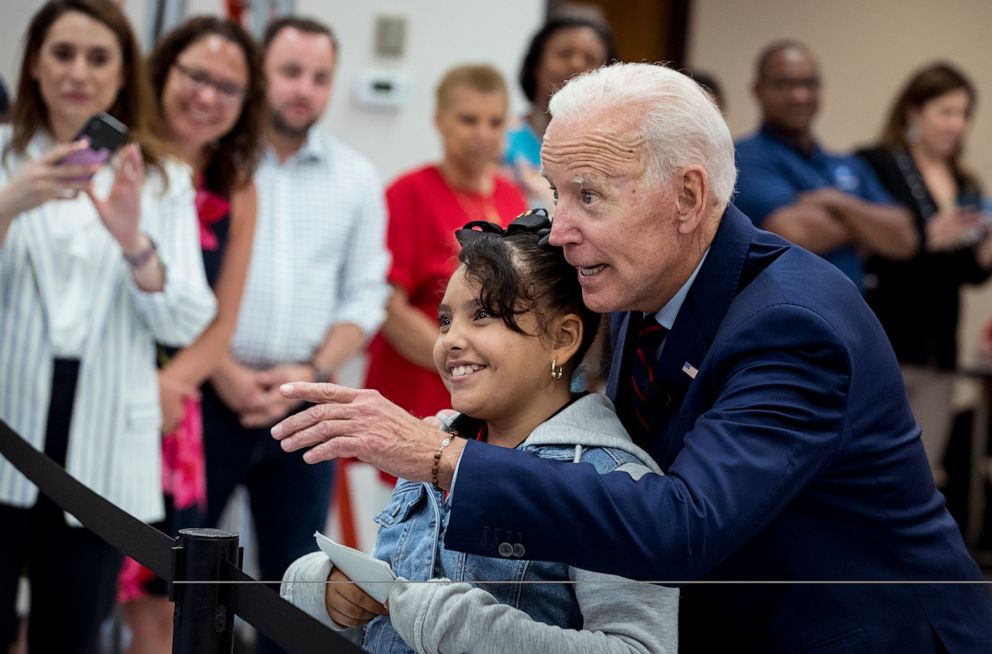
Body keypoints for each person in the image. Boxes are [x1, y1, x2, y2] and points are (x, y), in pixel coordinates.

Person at [271, 62, 992, 653]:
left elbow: (682, 524)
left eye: (590, 196)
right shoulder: (640, 288)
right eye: (557, 194)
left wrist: (443, 458)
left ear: (687, 195)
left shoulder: (792, 323)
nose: (561, 232)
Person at [282, 210, 678, 654]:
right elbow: (387, 607)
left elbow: (641, 648)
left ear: (562, 339)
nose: (450, 340)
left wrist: (456, 624)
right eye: (447, 319)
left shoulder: (613, 478)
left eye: (484, 314)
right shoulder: (432, 442)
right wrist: (326, 588)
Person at [0, 1, 216, 652]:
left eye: (99, 58)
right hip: (9, 419)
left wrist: (134, 245)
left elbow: (186, 316)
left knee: (73, 627)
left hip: (99, 437)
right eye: (62, 53)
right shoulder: (5, 160)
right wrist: (10, 204)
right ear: (34, 63)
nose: (79, 72)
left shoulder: (161, 179)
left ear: (124, 74)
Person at [201, 15, 389, 654]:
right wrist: (220, 368)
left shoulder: (356, 178)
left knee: (297, 582)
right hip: (207, 391)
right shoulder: (215, 164)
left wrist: (301, 376)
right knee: (185, 567)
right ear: (261, 74)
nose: (303, 89)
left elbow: (366, 295)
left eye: (319, 77)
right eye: (289, 72)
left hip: (308, 405)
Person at [116, 16, 267, 654]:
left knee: (157, 595)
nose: (206, 97)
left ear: (244, 104)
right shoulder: (118, 155)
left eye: (226, 88)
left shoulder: (238, 189)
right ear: (161, 72)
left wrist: (173, 384)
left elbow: (221, 318)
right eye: (194, 76)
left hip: (171, 409)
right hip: (98, 384)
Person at [855, 63, 992, 485]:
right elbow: (859, 249)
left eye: (964, 114)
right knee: (867, 469)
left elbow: (969, 274)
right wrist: (925, 236)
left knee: (923, 476)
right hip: (885, 339)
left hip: (938, 348)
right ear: (914, 112)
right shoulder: (878, 164)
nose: (957, 124)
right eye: (946, 112)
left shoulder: (965, 180)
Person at [363, 64, 524, 421]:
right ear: (440, 121)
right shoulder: (407, 193)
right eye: (469, 120)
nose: (483, 133)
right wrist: (462, 360)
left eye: (495, 122)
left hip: (487, 395)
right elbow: (390, 307)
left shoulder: (512, 197)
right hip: (416, 391)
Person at [734, 40, 917, 291]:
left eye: (809, 84)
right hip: (783, 320)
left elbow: (904, 236)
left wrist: (835, 201)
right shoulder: (745, 158)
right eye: (784, 84)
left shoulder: (848, 165)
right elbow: (791, 232)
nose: (800, 96)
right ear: (758, 90)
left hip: (848, 320)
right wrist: (867, 227)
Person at [505, 14, 615, 208]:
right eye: (564, 54)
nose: (577, 64)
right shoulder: (498, 138)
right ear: (535, 65)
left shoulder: (616, 150)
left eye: (590, 58)